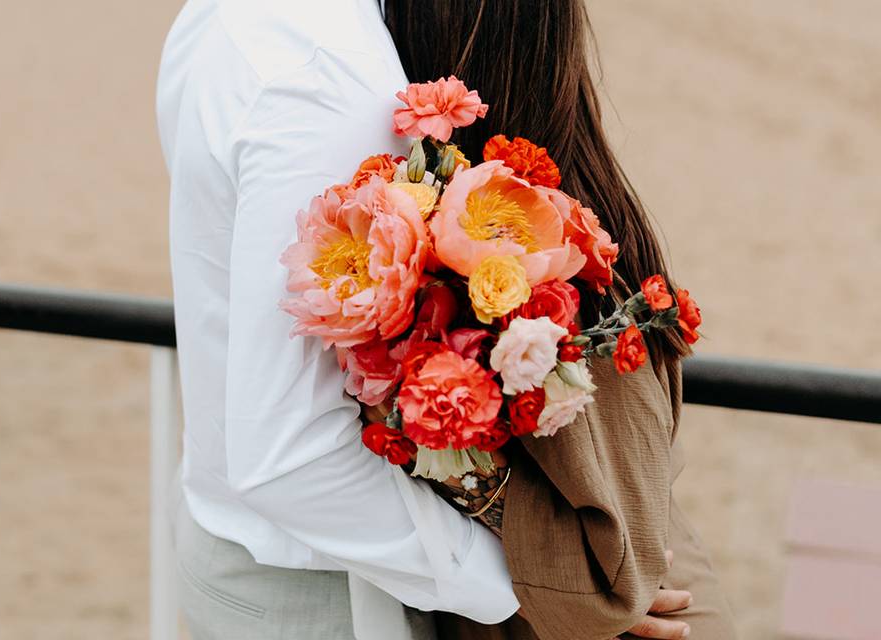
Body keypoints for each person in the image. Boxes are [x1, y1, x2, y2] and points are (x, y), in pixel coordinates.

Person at [156, 0, 730, 638]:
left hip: (229, 539)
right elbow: (288, 459)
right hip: (322, 590)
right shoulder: (330, 84)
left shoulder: (228, 16)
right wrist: (551, 586)